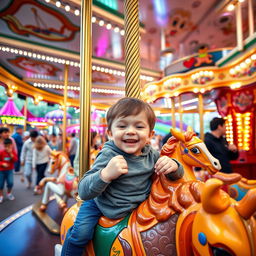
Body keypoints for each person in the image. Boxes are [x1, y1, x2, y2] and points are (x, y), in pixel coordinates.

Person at [61, 97, 184, 256]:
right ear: (110, 133)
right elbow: (83, 190)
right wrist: (105, 174)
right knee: (81, 234)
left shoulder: (151, 155)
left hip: (137, 207)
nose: (131, 131)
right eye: (122, 126)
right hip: (100, 204)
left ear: (150, 134)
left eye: (139, 126)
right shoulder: (108, 154)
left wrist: (173, 165)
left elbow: (176, 175)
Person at [0, 138, 18, 203]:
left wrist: (11, 154)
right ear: (4, 146)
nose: (7, 148)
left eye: (9, 146)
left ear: (11, 145)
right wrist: (2, 164)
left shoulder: (13, 152)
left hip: (9, 170)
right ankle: (1, 195)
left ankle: (9, 193)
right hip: (1, 170)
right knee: (0, 184)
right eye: (6, 146)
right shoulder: (1, 152)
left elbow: (15, 160)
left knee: (10, 183)